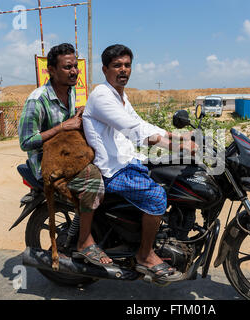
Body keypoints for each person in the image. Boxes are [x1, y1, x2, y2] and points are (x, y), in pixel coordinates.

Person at [82, 44, 197, 281]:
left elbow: (140, 122)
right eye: (117, 65)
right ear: (105, 69)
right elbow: (132, 129)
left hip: (128, 161)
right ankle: (144, 254)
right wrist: (179, 146)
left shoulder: (120, 95)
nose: (123, 70)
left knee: (170, 176)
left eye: (127, 65)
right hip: (111, 170)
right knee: (156, 196)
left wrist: (177, 137)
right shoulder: (102, 96)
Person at [18, 43, 112, 266]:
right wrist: (62, 127)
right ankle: (85, 242)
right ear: (51, 70)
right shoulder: (37, 100)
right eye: (67, 67)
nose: (74, 71)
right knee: (94, 183)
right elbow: (26, 142)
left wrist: (81, 112)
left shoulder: (70, 92)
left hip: (68, 155)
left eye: (75, 67)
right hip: (45, 163)